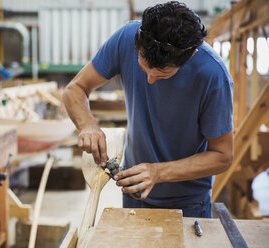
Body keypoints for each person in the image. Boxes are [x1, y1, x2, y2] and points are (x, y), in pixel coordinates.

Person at [63, 1, 233, 218]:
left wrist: (158, 172)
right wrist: (87, 125)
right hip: (134, 193)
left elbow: (223, 156)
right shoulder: (126, 37)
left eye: (162, 75)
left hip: (189, 203)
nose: (150, 80)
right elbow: (75, 88)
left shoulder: (214, 75)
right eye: (143, 68)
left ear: (190, 55)